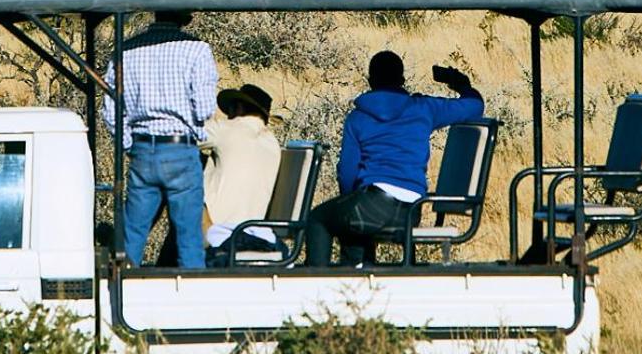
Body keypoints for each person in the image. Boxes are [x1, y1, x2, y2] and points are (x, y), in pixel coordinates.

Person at [305, 51, 484, 267]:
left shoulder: (358, 118)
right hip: (412, 210)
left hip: (372, 205)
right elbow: (475, 106)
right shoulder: (423, 108)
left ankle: (323, 285)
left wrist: (351, 198)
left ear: (370, 80)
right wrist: (460, 83)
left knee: (319, 219)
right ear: (402, 80)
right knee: (352, 214)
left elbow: (347, 172)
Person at [102, 10, 219, 269]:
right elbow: (204, 108)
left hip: (143, 148)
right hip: (180, 149)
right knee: (188, 237)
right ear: (185, 18)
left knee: (132, 234)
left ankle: (123, 293)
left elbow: (111, 111)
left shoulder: (126, 50)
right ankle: (189, 296)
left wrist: (130, 145)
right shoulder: (196, 49)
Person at [202, 84, 283, 261]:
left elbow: (186, 136)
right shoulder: (272, 143)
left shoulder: (225, 129)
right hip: (255, 229)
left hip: (216, 229)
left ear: (238, 107)